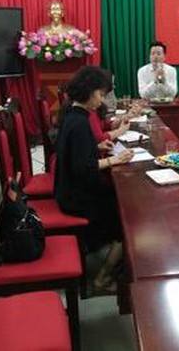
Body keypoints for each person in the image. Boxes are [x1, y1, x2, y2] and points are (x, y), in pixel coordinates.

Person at [54, 66, 134, 293]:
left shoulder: (72, 113)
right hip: (75, 197)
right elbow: (84, 168)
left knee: (116, 198)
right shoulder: (80, 123)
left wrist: (96, 146)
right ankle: (102, 278)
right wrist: (115, 160)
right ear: (88, 92)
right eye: (100, 94)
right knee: (126, 219)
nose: (101, 100)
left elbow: (74, 153)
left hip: (66, 189)